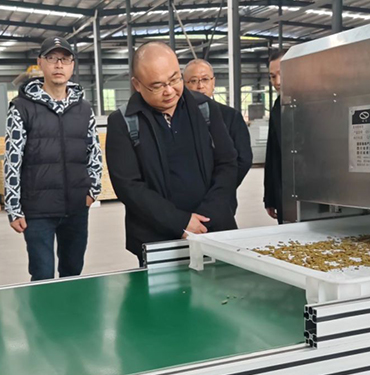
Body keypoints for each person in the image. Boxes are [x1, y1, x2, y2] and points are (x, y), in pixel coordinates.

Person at [106, 42, 238, 263]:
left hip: (213, 231)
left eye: (175, 79)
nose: (169, 91)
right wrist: (180, 222)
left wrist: (207, 216)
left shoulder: (205, 108)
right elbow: (128, 186)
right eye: (157, 86)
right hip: (157, 241)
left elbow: (228, 163)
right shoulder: (123, 122)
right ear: (137, 84)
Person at [4, 37, 102, 281]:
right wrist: (14, 207)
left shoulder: (84, 108)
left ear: (73, 65)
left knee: (73, 271)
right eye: (52, 58)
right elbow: (12, 159)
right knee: (42, 274)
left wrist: (93, 191)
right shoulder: (21, 107)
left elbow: (94, 152)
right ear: (40, 63)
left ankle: (72, 307)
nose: (59, 65)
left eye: (65, 59)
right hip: (38, 209)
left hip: (76, 207)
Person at [183, 58, 252, 213]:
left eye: (205, 79)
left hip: (221, 200)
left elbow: (244, 159)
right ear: (184, 85)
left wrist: (222, 188)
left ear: (213, 82)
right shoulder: (177, 118)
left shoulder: (231, 116)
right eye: (193, 81)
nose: (200, 86)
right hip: (186, 204)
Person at [264, 50, 284, 223]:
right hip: (284, 192)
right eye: (272, 77)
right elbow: (272, 154)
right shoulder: (278, 106)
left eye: (282, 74)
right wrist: (270, 197)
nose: (277, 82)